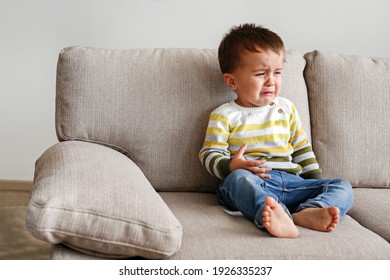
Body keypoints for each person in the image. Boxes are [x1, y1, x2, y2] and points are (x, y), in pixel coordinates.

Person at [199, 23, 353, 238]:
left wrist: (313, 182)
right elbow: (209, 154)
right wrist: (232, 165)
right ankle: (270, 213)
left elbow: (302, 149)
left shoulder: (286, 108)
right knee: (237, 180)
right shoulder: (224, 115)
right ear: (232, 81)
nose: (271, 81)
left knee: (342, 186)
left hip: (293, 183)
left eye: (277, 72)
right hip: (254, 181)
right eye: (261, 73)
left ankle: (307, 211)